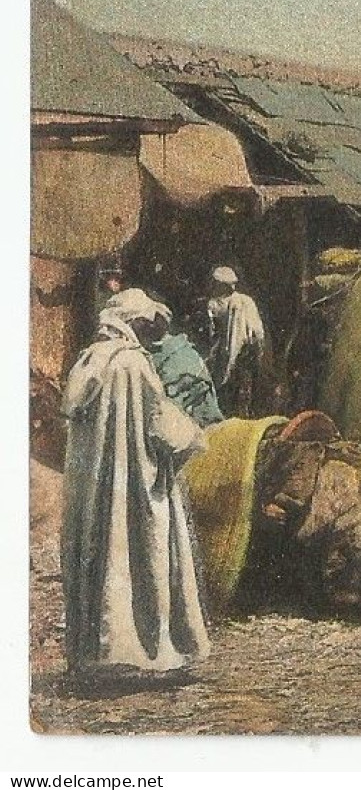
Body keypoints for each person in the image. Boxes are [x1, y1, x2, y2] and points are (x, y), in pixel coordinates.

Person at [61, 288, 210, 682]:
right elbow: (160, 425)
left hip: (97, 488)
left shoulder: (88, 361)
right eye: (144, 325)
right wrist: (192, 436)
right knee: (143, 552)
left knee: (104, 553)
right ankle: (146, 650)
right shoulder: (132, 364)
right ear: (134, 323)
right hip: (137, 479)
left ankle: (97, 652)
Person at [205, 266, 267, 418]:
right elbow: (258, 332)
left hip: (234, 352)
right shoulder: (244, 300)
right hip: (243, 351)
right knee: (242, 389)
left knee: (233, 388)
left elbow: (212, 332)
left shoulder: (215, 304)